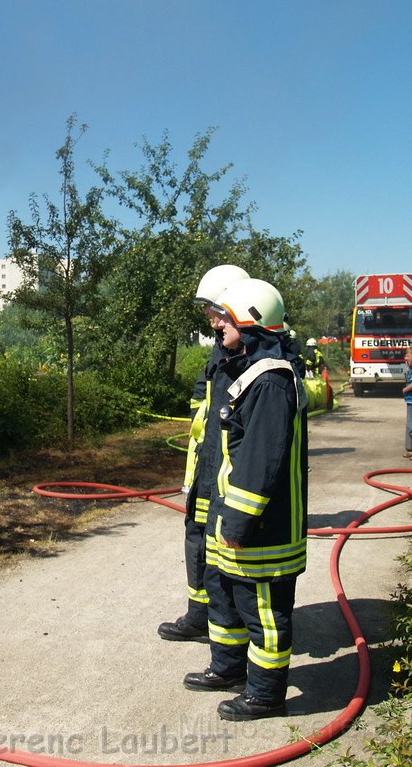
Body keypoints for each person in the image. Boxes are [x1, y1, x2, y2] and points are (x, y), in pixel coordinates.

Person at [181, 278, 308, 722]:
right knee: (225, 599)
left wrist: (235, 523)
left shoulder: (271, 382)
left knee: (264, 614)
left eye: (224, 316)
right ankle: (229, 669)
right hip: (232, 519)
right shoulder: (247, 370)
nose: (217, 324)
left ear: (249, 319)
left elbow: (260, 463)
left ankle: (265, 694)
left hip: (262, 529)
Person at [158, 264, 249, 643]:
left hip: (228, 468)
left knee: (220, 544)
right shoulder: (220, 346)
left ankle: (224, 620)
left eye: (213, 307)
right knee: (196, 535)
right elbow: (204, 389)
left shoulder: (250, 350)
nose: (208, 316)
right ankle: (199, 614)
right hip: (205, 464)